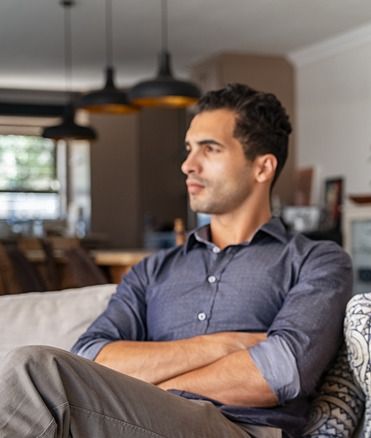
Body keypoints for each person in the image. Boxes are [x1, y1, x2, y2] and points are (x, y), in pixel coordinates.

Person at [0, 83, 352, 438]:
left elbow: (280, 371)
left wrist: (146, 384)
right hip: (136, 422)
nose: (188, 164)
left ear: (263, 168)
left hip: (241, 429)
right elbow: (92, 356)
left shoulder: (317, 260)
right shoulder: (153, 270)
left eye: (209, 149)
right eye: (189, 149)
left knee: (34, 370)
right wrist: (224, 344)